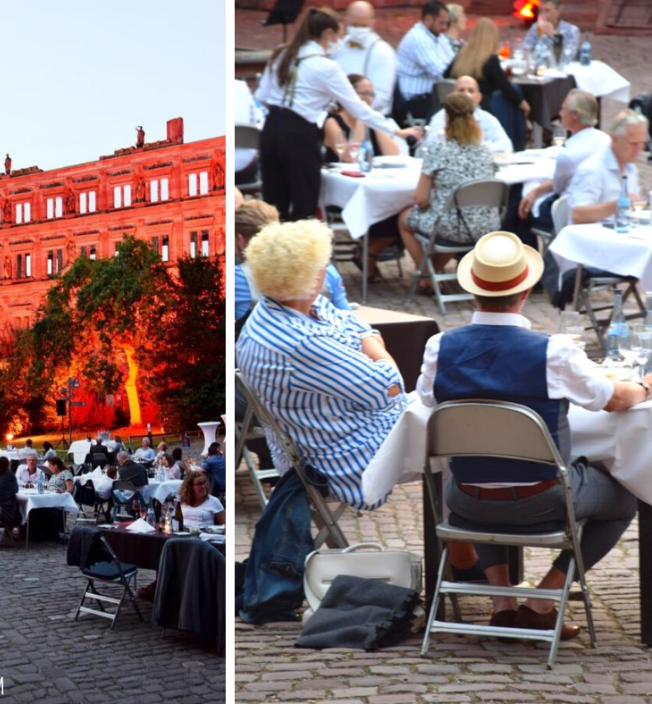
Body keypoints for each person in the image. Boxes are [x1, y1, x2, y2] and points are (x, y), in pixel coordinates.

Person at [417, 230, 641, 637]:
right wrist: (645, 386)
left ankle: (503, 603)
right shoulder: (554, 350)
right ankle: (542, 600)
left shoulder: (439, 346)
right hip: (543, 500)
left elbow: (427, 400)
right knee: (626, 496)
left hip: (466, 501)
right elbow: (612, 399)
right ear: (524, 294)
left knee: (476, 470)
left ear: (473, 292)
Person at [237, 219, 405, 509]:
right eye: (322, 265)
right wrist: (371, 343)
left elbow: (351, 322)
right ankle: (463, 528)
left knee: (446, 421)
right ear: (310, 276)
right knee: (451, 435)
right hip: (346, 458)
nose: (326, 270)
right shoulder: (300, 340)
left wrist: (366, 339)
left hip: (337, 433)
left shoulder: (285, 306)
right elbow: (390, 388)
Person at [255, 7, 420, 221]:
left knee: (273, 207)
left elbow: (263, 95)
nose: (341, 40)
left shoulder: (281, 53)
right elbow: (358, 107)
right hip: (299, 133)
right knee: (304, 207)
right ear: (329, 34)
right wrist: (396, 131)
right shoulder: (326, 67)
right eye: (340, 35)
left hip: (271, 127)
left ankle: (270, 243)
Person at [397, 93, 500, 291]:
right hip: (486, 226)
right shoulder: (485, 150)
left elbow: (421, 199)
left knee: (405, 219)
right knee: (452, 216)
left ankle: (426, 274)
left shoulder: (438, 149)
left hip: (452, 227)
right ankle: (431, 276)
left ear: (446, 117)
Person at [235, 200, 351, 336]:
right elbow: (349, 321)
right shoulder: (328, 270)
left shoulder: (236, 278)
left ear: (240, 240)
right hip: (327, 344)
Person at [519, 89, 610, 229]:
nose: (560, 113)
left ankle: (523, 242)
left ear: (575, 115)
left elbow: (557, 187)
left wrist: (533, 192)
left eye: (563, 109)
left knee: (519, 203)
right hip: (603, 203)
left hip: (571, 211)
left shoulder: (569, 155)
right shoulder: (606, 140)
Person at [567, 111, 647, 225]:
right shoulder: (593, 169)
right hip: (592, 234)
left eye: (642, 143)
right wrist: (617, 205)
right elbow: (577, 215)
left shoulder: (631, 168)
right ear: (615, 139)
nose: (639, 149)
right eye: (633, 144)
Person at [445, 18, 531, 120]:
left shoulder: (461, 55)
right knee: (513, 94)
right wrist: (523, 104)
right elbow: (505, 86)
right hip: (483, 108)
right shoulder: (490, 60)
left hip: (457, 105)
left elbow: (446, 75)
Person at [332, 1, 398, 116]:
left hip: (370, 118)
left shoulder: (382, 52)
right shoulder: (338, 46)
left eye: (363, 26)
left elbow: (382, 97)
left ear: (373, 24)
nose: (359, 30)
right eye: (354, 25)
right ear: (346, 21)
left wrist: (352, 111)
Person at [396, 0, 454, 123]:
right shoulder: (418, 38)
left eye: (447, 24)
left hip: (432, 95)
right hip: (415, 99)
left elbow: (452, 60)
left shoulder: (438, 36)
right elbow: (440, 71)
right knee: (457, 108)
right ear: (428, 19)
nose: (444, 28)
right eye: (441, 23)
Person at [422, 76, 512, 154]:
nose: (466, 94)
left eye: (471, 91)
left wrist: (478, 150)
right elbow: (429, 146)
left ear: (478, 97)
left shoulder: (487, 118)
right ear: (453, 95)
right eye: (461, 90)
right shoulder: (441, 117)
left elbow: (506, 145)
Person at [522, 0, 580, 67]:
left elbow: (566, 58)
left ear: (558, 11)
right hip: (537, 68)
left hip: (560, 70)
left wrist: (552, 36)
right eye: (541, 11)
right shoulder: (535, 27)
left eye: (547, 10)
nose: (543, 14)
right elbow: (525, 49)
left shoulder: (571, 30)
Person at [0, 456, 21, 527]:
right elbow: (16, 490)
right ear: (8, 465)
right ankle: (19, 527)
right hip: (4, 511)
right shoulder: (10, 475)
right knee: (17, 503)